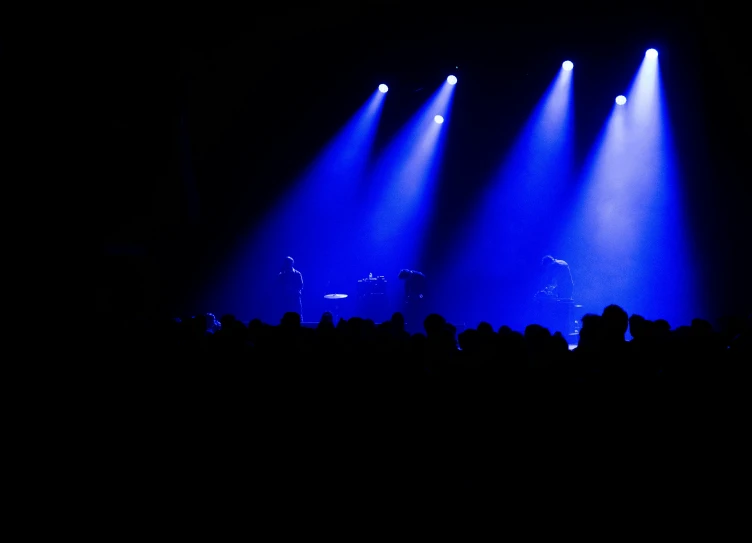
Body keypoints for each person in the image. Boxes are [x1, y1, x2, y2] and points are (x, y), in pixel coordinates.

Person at [398, 269, 426, 333]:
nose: (405, 280)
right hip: (412, 300)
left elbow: (424, 288)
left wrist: (420, 296)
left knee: (419, 314)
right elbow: (407, 290)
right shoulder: (408, 279)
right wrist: (407, 298)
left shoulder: (419, 276)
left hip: (420, 300)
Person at [278, 256, 303, 321]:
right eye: (287, 263)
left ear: (292, 263)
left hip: (295, 298)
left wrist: (292, 290)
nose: (288, 264)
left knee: (298, 314)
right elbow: (278, 287)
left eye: (289, 263)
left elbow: (300, 286)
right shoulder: (281, 275)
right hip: (285, 298)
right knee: (285, 314)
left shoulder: (297, 274)